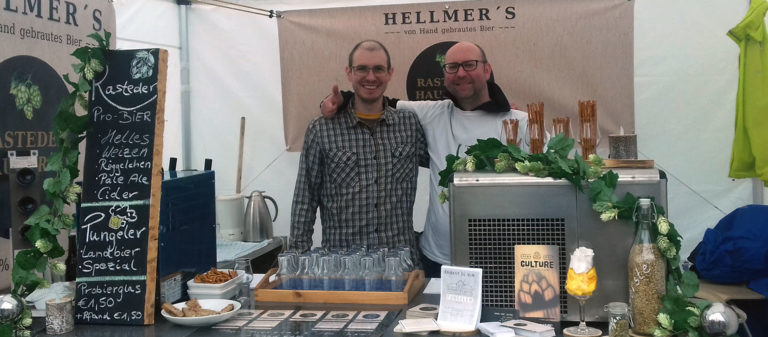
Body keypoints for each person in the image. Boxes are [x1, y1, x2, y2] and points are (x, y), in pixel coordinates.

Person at [321, 41, 529, 277]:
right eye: (452, 67)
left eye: (469, 65)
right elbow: (380, 102)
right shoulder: (433, 113)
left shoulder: (520, 123)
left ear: (487, 70)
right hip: (437, 260)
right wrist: (340, 100)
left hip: (503, 262)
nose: (460, 73)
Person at [290, 40, 428, 265]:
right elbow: (305, 198)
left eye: (378, 69)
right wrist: (297, 259)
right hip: (342, 266)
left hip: (400, 264)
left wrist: (492, 111)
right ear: (349, 73)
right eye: (362, 69)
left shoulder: (409, 124)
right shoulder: (322, 128)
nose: (371, 77)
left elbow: (443, 160)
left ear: (390, 73)